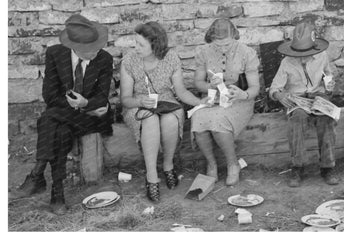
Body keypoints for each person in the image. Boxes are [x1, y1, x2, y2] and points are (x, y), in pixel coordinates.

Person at [16, 14, 114, 214]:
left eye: (97, 46)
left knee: (48, 118)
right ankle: (57, 193)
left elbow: (102, 97)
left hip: (92, 116)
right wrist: (73, 104)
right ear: (75, 47)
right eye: (90, 49)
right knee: (59, 130)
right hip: (63, 113)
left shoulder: (104, 59)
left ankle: (37, 173)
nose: (96, 52)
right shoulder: (55, 54)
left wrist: (85, 103)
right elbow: (50, 96)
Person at [120, 21, 208, 202]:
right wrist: (139, 100)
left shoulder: (171, 58)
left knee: (170, 119)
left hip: (166, 100)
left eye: (141, 45)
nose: (136, 48)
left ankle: (168, 165)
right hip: (138, 103)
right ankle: (151, 176)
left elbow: (181, 91)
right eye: (135, 43)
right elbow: (125, 99)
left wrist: (200, 102)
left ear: (155, 45)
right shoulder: (129, 60)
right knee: (149, 119)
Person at [269, 22, 339, 188]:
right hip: (297, 98)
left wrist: (329, 85)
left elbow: (328, 76)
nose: (303, 57)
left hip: (318, 95)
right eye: (300, 53)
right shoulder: (287, 62)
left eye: (308, 53)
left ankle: (327, 167)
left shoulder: (322, 56)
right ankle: (297, 167)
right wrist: (279, 95)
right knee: (298, 119)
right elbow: (274, 88)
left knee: (326, 119)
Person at [191, 18, 260, 186]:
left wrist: (242, 94)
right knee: (198, 117)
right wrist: (209, 86)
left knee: (218, 120)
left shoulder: (246, 53)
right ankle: (212, 164)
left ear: (234, 37)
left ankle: (232, 164)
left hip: (240, 101)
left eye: (227, 45)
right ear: (211, 40)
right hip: (213, 98)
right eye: (217, 45)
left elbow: (255, 88)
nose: (222, 48)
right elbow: (198, 82)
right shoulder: (203, 52)